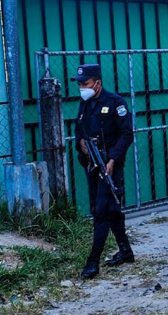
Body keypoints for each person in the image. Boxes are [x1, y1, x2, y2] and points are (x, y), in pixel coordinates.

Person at [73, 63, 135, 279]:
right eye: (80, 84)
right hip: (91, 164)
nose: (82, 88)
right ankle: (126, 251)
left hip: (109, 166)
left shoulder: (115, 103)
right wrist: (80, 142)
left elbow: (127, 134)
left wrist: (112, 159)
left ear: (97, 83)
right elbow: (79, 129)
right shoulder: (85, 103)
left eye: (86, 84)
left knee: (101, 211)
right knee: (110, 209)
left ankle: (93, 262)